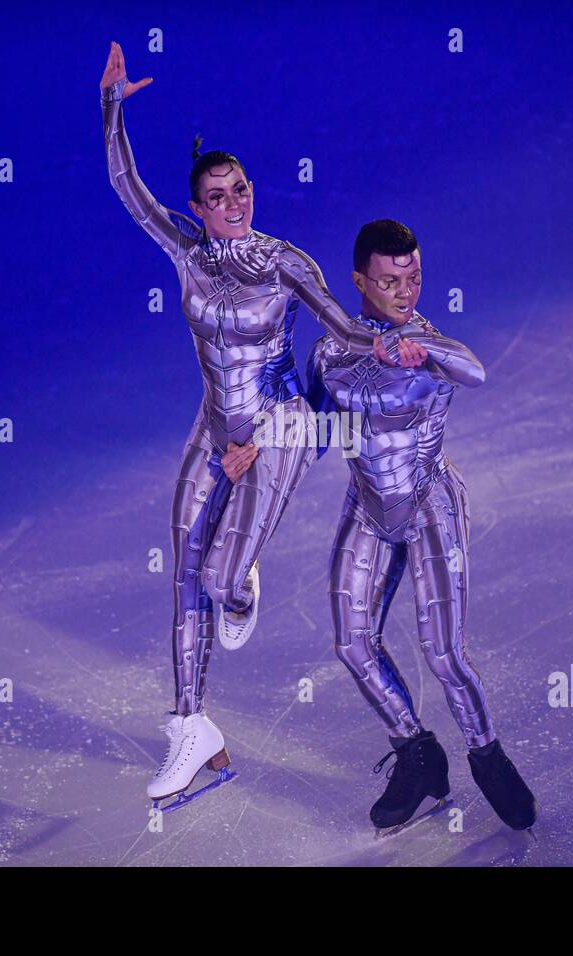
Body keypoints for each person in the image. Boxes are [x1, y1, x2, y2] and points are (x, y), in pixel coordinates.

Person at [99, 42, 384, 808]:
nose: (234, 202)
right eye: (217, 195)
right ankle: (193, 730)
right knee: (184, 561)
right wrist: (114, 104)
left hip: (279, 426)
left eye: (242, 189)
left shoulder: (287, 262)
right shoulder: (187, 253)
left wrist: (395, 336)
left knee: (222, 579)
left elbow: (344, 331)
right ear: (199, 206)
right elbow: (128, 189)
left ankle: (242, 585)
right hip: (215, 425)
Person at [308, 219, 537, 832]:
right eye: (389, 282)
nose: (405, 293)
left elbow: (477, 370)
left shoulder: (428, 346)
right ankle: (418, 753)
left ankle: (487, 757)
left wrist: (418, 344)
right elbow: (313, 431)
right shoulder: (332, 349)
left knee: (443, 653)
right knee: (352, 644)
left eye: (413, 279)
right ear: (359, 281)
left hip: (430, 504)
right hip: (367, 507)